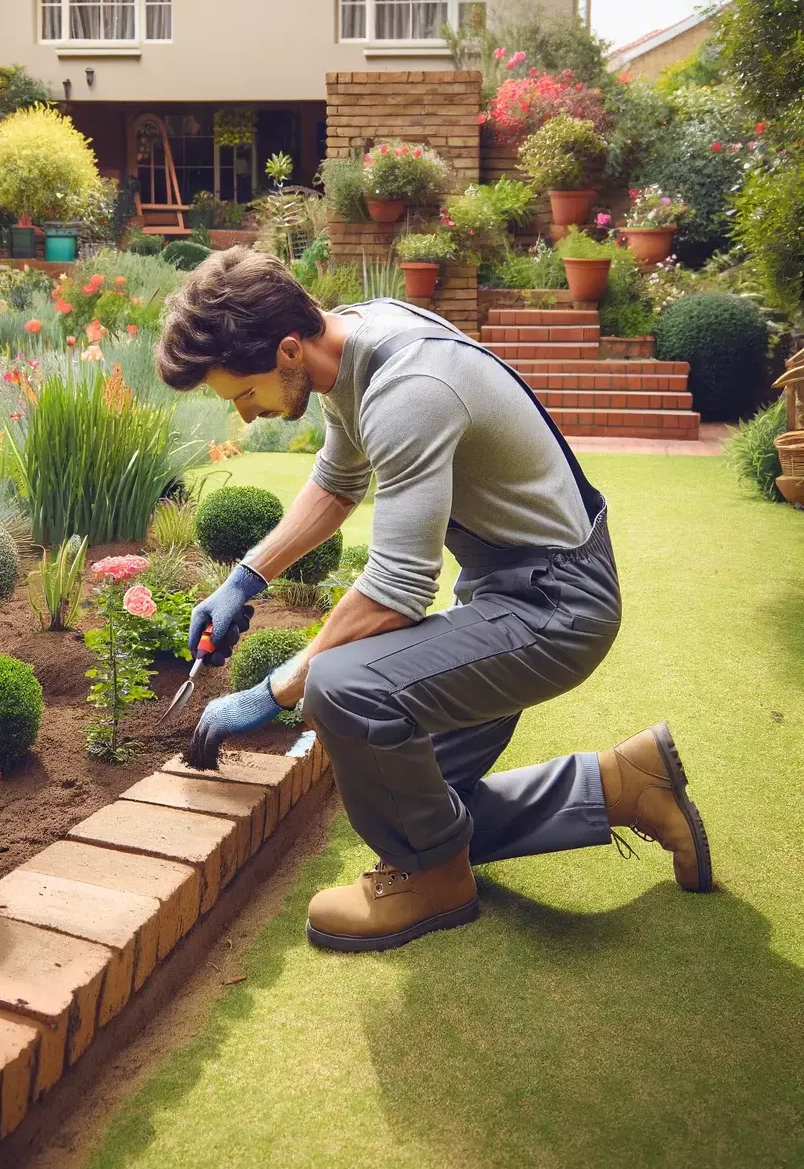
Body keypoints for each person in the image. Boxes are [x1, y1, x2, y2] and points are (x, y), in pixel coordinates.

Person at [156, 248, 712, 954]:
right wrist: (245, 578)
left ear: (288, 347)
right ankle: (624, 784)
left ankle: (434, 883)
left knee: (341, 686)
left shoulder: (408, 389)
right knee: (422, 809)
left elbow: (395, 592)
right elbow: (336, 483)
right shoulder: (353, 339)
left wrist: (273, 690)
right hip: (504, 590)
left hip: (555, 609)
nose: (245, 416)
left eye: (244, 394)